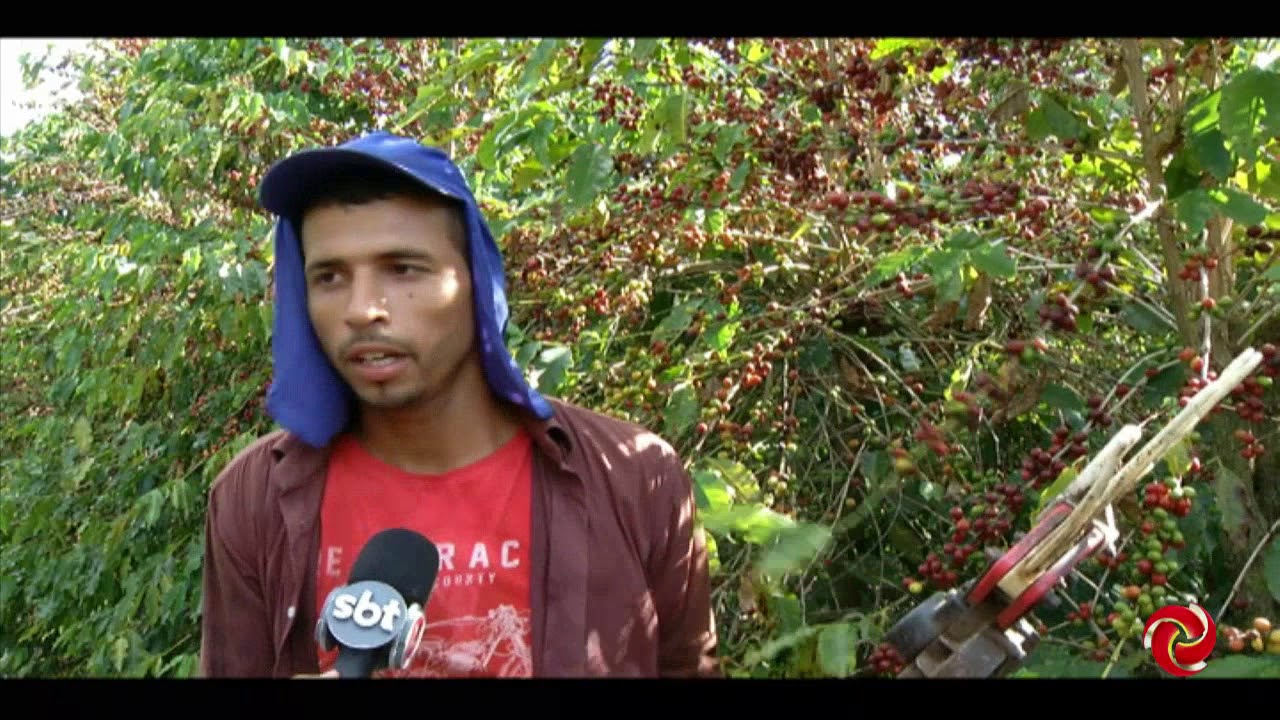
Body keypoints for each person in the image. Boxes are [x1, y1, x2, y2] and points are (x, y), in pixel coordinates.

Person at [197, 131, 721, 678]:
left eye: (402, 269)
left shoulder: (634, 478)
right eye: (329, 277)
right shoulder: (255, 499)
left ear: (476, 281)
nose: (361, 310)